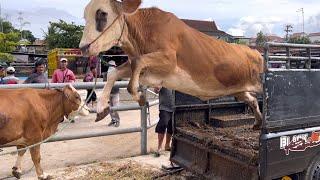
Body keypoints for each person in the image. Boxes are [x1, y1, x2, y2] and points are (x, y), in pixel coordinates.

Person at [154, 87, 174, 157]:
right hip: (164, 107)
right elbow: (156, 90)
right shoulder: (163, 78)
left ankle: (167, 145)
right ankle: (159, 147)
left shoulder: (176, 78)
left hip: (175, 106)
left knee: (171, 126)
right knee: (163, 124)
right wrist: (157, 88)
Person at [107, 60, 121, 127]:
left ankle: (117, 120)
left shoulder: (117, 73)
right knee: (110, 108)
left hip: (115, 93)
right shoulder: (106, 74)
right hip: (109, 93)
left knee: (115, 108)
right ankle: (113, 120)